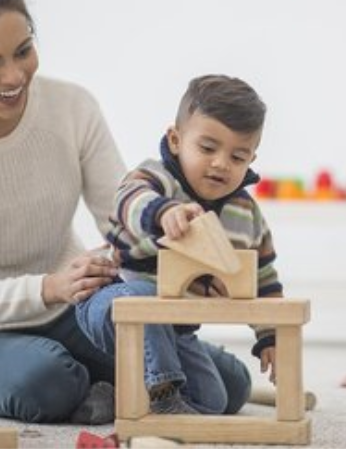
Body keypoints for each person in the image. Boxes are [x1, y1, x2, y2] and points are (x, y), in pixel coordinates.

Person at [0, 0, 251, 424]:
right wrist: (49, 286)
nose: (14, 76)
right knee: (47, 381)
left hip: (73, 307)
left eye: (24, 50)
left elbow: (125, 218)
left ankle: (101, 390)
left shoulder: (72, 108)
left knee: (231, 386)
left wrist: (188, 263)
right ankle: (92, 386)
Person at [76, 74, 282, 415]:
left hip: (177, 329)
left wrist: (271, 336)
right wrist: (163, 211)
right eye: (207, 148)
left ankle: (117, 394)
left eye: (237, 156)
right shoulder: (156, 179)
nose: (220, 163)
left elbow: (263, 278)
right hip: (114, 300)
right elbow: (129, 199)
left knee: (213, 401)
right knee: (143, 302)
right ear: (175, 140)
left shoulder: (246, 214)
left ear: (251, 160)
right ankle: (162, 397)